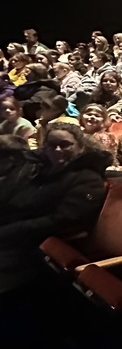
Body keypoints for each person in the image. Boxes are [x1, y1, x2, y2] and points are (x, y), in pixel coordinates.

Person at [0, 122, 108, 294]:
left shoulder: (88, 178)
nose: (57, 150)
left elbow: (62, 220)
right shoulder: (38, 169)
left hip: (36, 245)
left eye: (65, 145)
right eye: (51, 145)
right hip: (16, 231)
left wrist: (9, 231)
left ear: (80, 147)